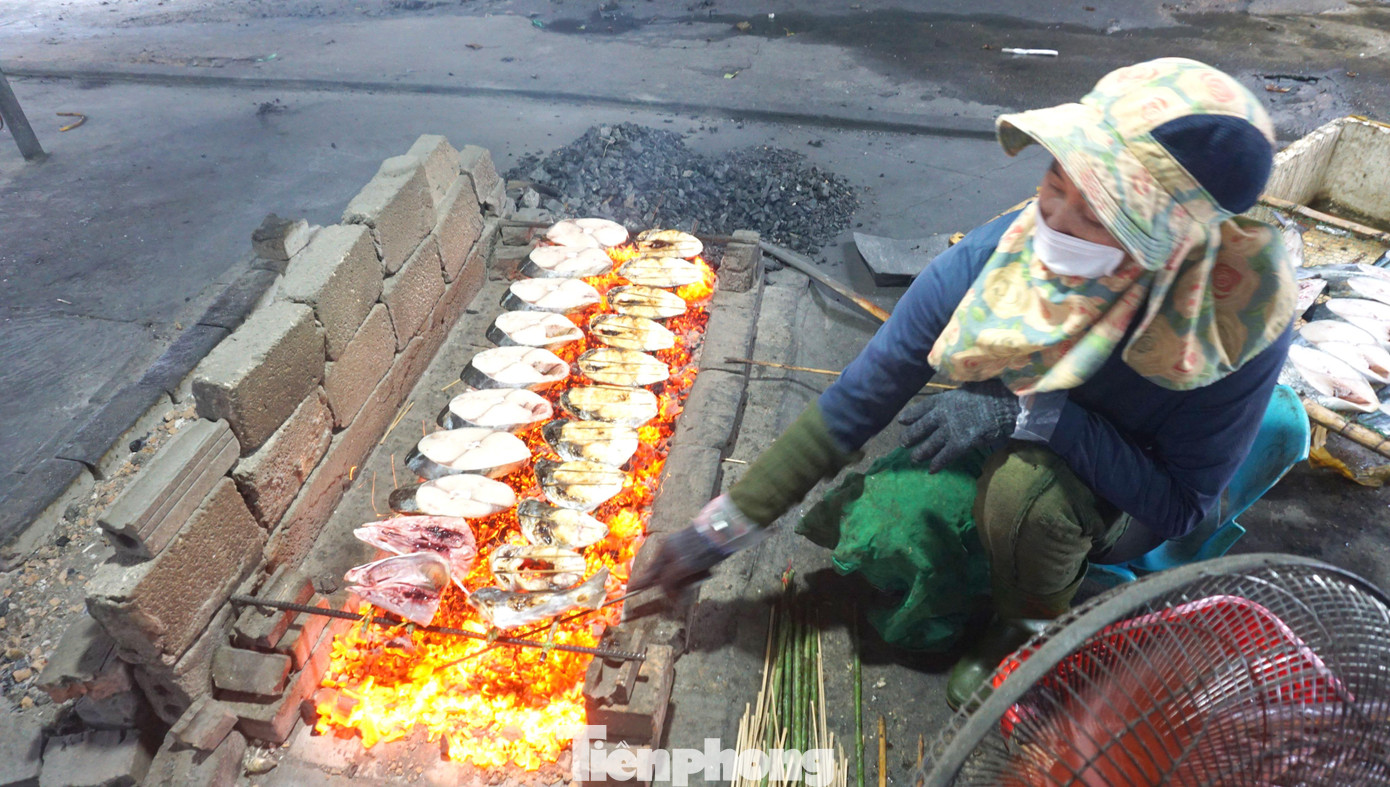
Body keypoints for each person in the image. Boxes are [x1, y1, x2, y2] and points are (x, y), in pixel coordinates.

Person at [629, 57, 1297, 708]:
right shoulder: (999, 255)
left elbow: (1179, 504)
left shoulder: (1230, 326)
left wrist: (1033, 417)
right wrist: (713, 534)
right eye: (1055, 181)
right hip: (1029, 428)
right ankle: (1010, 545)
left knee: (1026, 494)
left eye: (1097, 216)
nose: (1054, 226)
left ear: (1172, 239)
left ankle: (1025, 630)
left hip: (1126, 483)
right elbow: (861, 395)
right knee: (891, 527)